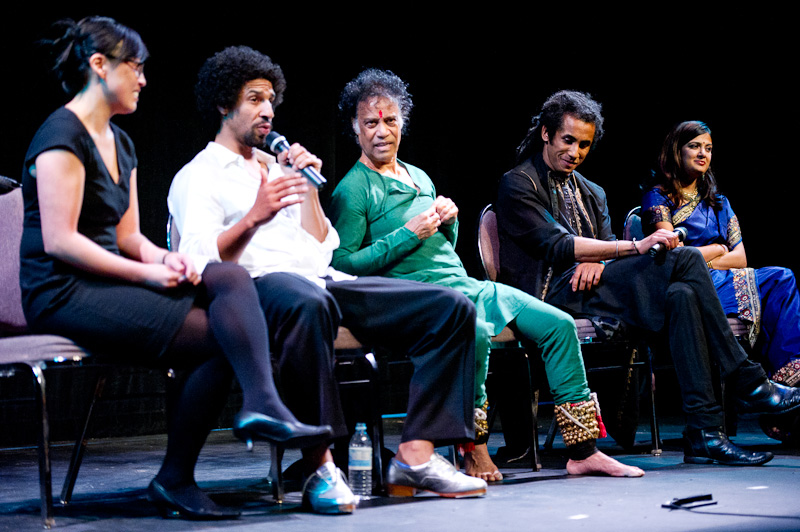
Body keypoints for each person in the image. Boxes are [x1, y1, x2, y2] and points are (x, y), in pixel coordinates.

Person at [19, 17, 331, 521]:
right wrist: (147, 275)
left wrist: (167, 258)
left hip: (105, 283)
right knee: (220, 335)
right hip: (62, 291)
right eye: (135, 68)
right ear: (99, 66)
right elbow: (61, 242)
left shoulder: (120, 143)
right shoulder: (61, 135)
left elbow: (128, 238)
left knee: (227, 278)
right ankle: (178, 476)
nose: (143, 80)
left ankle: (258, 405)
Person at [167, 46, 487, 512]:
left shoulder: (276, 167)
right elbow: (201, 261)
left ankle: (415, 455)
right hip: (257, 286)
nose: (267, 110)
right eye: (254, 99)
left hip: (319, 278)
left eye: (271, 99)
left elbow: (321, 246)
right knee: (307, 303)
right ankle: (320, 465)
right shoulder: (198, 176)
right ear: (222, 104)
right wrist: (255, 216)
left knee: (450, 308)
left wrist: (307, 189)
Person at [328, 69, 645, 480]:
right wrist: (408, 234)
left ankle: (583, 451)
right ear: (355, 128)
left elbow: (441, 247)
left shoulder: (418, 175)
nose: (382, 131)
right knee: (472, 331)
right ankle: (472, 448)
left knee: (559, 325)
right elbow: (343, 263)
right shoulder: (353, 189)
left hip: (465, 285)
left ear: (402, 122)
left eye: (390, 120)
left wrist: (450, 222)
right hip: (418, 296)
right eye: (370, 122)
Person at [495, 90, 800, 466]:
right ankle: (747, 380)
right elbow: (556, 245)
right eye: (568, 140)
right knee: (686, 257)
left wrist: (600, 259)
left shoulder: (592, 191)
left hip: (596, 290)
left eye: (584, 145)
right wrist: (631, 247)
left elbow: (604, 243)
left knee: (682, 295)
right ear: (546, 133)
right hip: (546, 294)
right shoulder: (518, 183)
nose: (575, 152)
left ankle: (705, 432)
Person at [642, 120, 800, 443]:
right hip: (686, 284)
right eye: (695, 146)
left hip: (726, 276)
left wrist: (708, 258)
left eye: (709, 148)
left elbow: (740, 258)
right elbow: (673, 254)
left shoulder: (719, 202)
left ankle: (785, 385)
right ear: (677, 150)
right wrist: (716, 249)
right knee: (770, 280)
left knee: (783, 277)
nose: (703, 153)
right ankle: (763, 393)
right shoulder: (657, 198)